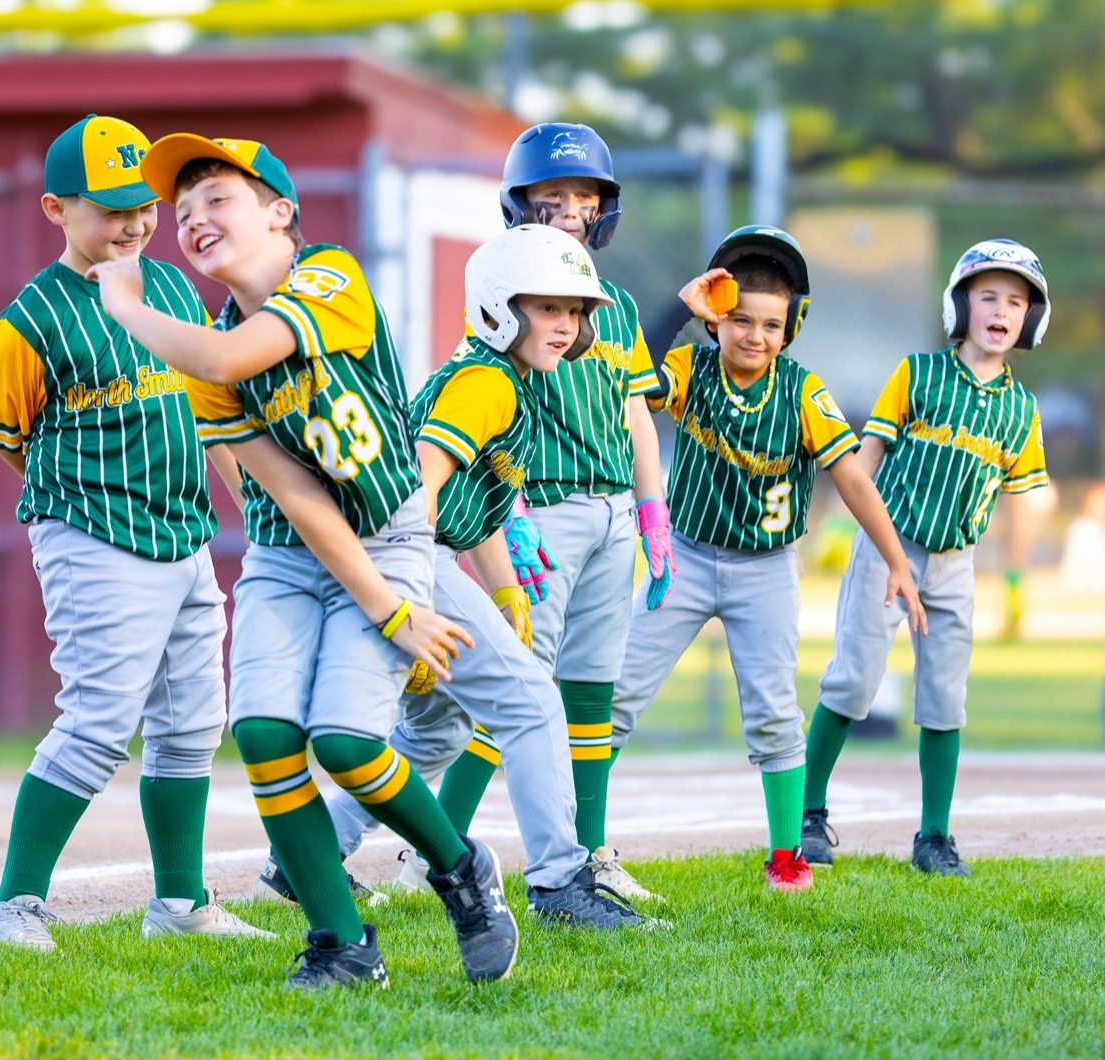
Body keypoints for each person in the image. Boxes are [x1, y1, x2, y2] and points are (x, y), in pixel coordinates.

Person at [89, 132, 517, 989]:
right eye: (183, 211)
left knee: (350, 740)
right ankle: (342, 943)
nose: (195, 219)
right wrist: (379, 608)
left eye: (219, 198)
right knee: (265, 733)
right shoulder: (209, 345)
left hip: (388, 533)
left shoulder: (328, 277)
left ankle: (461, 869)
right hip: (292, 552)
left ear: (281, 214)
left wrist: (129, 309)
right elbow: (289, 493)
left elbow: (228, 357)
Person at [0, 115, 270, 951]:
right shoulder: (29, 320)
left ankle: (179, 907)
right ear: (56, 209)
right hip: (93, 534)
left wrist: (246, 509)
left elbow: (215, 417)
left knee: (190, 724)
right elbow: (10, 444)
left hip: (184, 531)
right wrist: (82, 510)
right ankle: (12, 908)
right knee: (100, 718)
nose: (134, 222)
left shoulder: (174, 290)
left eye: (143, 204)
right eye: (109, 208)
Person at [323, 224, 657, 929]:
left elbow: (478, 512)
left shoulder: (509, 378)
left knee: (437, 733)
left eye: (576, 312)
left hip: (417, 555)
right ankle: (562, 883)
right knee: (533, 701)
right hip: (407, 555)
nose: (566, 326)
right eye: (546, 308)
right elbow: (419, 491)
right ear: (499, 307)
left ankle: (311, 855)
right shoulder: (486, 383)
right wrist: (407, 604)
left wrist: (503, 592)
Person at [610, 225, 926, 893]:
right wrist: (680, 307)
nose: (754, 334)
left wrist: (896, 560)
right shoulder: (690, 369)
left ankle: (787, 857)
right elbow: (629, 376)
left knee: (776, 713)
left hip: (765, 572)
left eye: (771, 324)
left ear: (791, 328)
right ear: (715, 318)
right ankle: (584, 851)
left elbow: (853, 479)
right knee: (614, 698)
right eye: (739, 319)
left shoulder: (803, 391)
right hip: (686, 560)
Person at [429, 123, 673, 901]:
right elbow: (493, 415)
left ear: (606, 210)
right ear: (520, 205)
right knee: (518, 687)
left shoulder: (617, 305)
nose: (571, 209)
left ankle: (592, 854)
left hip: (609, 515)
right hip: (544, 515)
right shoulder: (506, 298)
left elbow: (638, 415)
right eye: (551, 197)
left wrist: (652, 511)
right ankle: (435, 849)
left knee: (590, 689)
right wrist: (516, 513)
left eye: (585, 197)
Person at [802, 238, 1051, 878]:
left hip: (955, 565)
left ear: (1030, 320)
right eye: (988, 295)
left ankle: (934, 838)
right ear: (961, 306)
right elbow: (865, 464)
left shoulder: (1022, 412)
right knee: (853, 680)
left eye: (1016, 301)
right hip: (892, 549)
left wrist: (1017, 584)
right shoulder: (917, 374)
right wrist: (868, 546)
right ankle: (807, 813)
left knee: (945, 698)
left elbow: (1019, 505)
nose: (1001, 309)